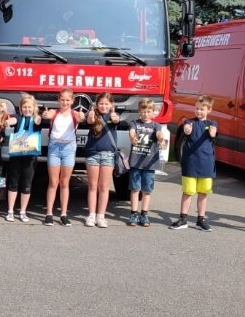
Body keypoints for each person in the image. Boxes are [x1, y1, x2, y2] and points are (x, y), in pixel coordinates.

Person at [169, 95, 218, 231]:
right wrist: (187, 130)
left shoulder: (212, 124)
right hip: (190, 163)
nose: (199, 111)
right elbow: (186, 129)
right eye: (197, 108)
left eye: (202, 109)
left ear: (209, 110)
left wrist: (213, 132)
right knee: (188, 191)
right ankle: (183, 219)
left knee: (203, 193)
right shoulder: (189, 122)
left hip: (206, 164)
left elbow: (213, 132)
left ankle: (200, 220)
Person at [42, 89, 86, 226]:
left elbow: (82, 118)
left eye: (68, 100)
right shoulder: (53, 113)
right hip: (54, 147)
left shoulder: (75, 114)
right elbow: (45, 115)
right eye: (62, 100)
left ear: (72, 101)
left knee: (65, 183)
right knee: (53, 182)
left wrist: (82, 116)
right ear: (58, 100)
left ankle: (63, 214)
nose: (65, 102)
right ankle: (49, 213)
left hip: (69, 148)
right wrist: (44, 115)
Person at [83, 92, 128, 228]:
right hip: (92, 154)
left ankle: (101, 216)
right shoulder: (92, 115)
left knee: (104, 187)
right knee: (92, 186)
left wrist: (115, 118)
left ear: (111, 105)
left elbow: (117, 121)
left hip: (108, 154)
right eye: (101, 103)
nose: (103, 106)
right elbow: (89, 122)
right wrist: (90, 117)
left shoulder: (113, 116)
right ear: (97, 105)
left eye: (106, 104)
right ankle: (91, 215)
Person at [126, 98, 164, 228]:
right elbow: (131, 131)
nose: (145, 114)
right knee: (135, 189)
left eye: (148, 112)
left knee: (147, 190)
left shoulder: (156, 125)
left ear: (153, 112)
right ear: (139, 111)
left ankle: (144, 213)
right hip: (136, 162)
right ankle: (133, 213)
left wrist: (161, 139)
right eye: (143, 111)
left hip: (149, 164)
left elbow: (159, 134)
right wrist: (133, 137)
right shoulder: (134, 123)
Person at [5, 95, 41, 222]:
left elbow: (38, 121)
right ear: (20, 108)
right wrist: (8, 121)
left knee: (27, 183)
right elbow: (12, 121)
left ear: (33, 108)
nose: (27, 109)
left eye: (29, 107)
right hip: (16, 155)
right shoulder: (18, 118)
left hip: (30, 156)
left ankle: (23, 211)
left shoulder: (36, 119)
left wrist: (38, 118)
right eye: (24, 107)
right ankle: (10, 211)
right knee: (13, 182)